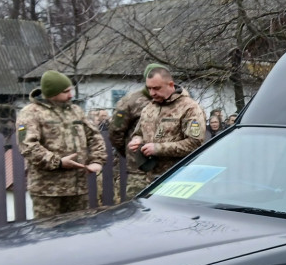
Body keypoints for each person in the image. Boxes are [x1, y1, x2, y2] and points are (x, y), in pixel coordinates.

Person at [16, 70, 106, 219]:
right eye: (66, 91)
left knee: (78, 233)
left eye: (70, 90)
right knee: (49, 235)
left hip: (78, 189)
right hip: (48, 191)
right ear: (52, 93)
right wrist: (58, 162)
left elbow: (95, 136)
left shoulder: (76, 111)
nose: (70, 95)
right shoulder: (30, 113)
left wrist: (97, 160)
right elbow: (28, 146)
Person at [126, 66, 206, 194]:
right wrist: (136, 140)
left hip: (179, 181)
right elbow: (139, 132)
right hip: (151, 180)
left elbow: (195, 144)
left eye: (156, 88)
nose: (152, 93)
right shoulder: (149, 108)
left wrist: (158, 148)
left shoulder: (190, 108)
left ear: (170, 85)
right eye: (149, 88)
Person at [109, 63, 157, 200]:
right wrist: (128, 152)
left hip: (163, 168)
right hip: (137, 170)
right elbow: (115, 132)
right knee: (135, 206)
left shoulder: (169, 100)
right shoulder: (130, 102)